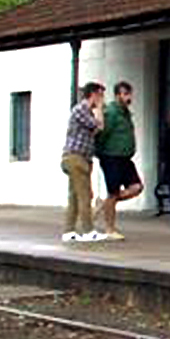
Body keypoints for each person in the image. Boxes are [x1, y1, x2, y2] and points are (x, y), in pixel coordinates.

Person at [93, 80, 145, 240]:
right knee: (113, 192)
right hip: (111, 156)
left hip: (125, 158)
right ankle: (110, 229)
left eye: (129, 94)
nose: (128, 97)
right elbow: (102, 134)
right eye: (125, 94)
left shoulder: (125, 113)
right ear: (117, 95)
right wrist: (101, 153)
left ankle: (103, 204)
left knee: (137, 187)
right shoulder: (112, 113)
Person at [61, 82, 106, 243]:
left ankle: (69, 230)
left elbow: (93, 131)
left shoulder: (85, 111)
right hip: (76, 157)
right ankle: (88, 231)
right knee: (85, 195)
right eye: (100, 95)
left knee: (74, 195)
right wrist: (99, 109)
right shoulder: (81, 110)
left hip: (81, 158)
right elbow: (99, 126)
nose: (101, 99)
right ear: (93, 94)